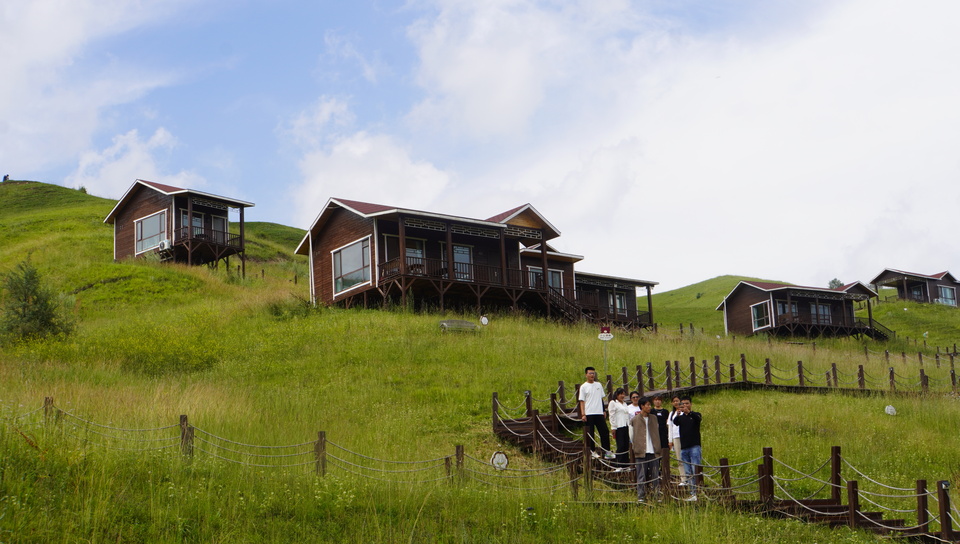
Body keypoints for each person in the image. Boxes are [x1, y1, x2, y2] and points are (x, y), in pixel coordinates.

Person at [630, 396, 661, 503]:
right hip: (641, 451)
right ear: (642, 406)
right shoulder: (634, 420)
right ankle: (641, 496)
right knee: (641, 475)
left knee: (655, 475)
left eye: (650, 405)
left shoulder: (654, 418)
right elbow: (631, 436)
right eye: (647, 405)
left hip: (654, 451)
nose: (649, 407)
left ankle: (657, 495)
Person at [578, 366, 613, 459]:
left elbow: (601, 398)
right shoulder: (583, 387)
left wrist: (603, 410)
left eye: (593, 373)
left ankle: (607, 451)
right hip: (589, 413)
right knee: (591, 433)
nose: (592, 375)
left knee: (604, 431)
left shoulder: (598, 385)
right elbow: (582, 401)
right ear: (586, 375)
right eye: (590, 373)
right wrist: (583, 414)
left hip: (599, 412)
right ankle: (592, 451)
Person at [673, 396, 703, 501]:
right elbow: (675, 422)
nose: (685, 406)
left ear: (690, 404)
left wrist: (689, 412)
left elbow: (698, 419)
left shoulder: (695, 415)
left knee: (695, 469)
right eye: (683, 404)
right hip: (684, 447)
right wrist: (678, 413)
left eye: (687, 403)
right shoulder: (681, 418)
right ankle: (692, 493)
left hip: (694, 446)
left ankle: (697, 491)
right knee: (687, 471)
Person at [608, 388, 631, 467]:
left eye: (623, 394)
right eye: (620, 394)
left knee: (626, 445)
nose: (622, 396)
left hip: (626, 425)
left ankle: (626, 464)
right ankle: (619, 464)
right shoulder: (613, 403)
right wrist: (613, 427)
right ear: (617, 395)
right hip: (619, 426)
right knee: (620, 446)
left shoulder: (624, 404)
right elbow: (612, 415)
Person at [667, 394, 686, 484]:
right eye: (674, 401)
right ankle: (683, 479)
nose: (676, 403)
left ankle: (690, 477)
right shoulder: (671, 414)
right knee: (679, 458)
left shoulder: (684, 412)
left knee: (686, 457)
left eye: (677, 401)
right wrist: (670, 441)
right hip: (676, 437)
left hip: (684, 436)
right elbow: (670, 427)